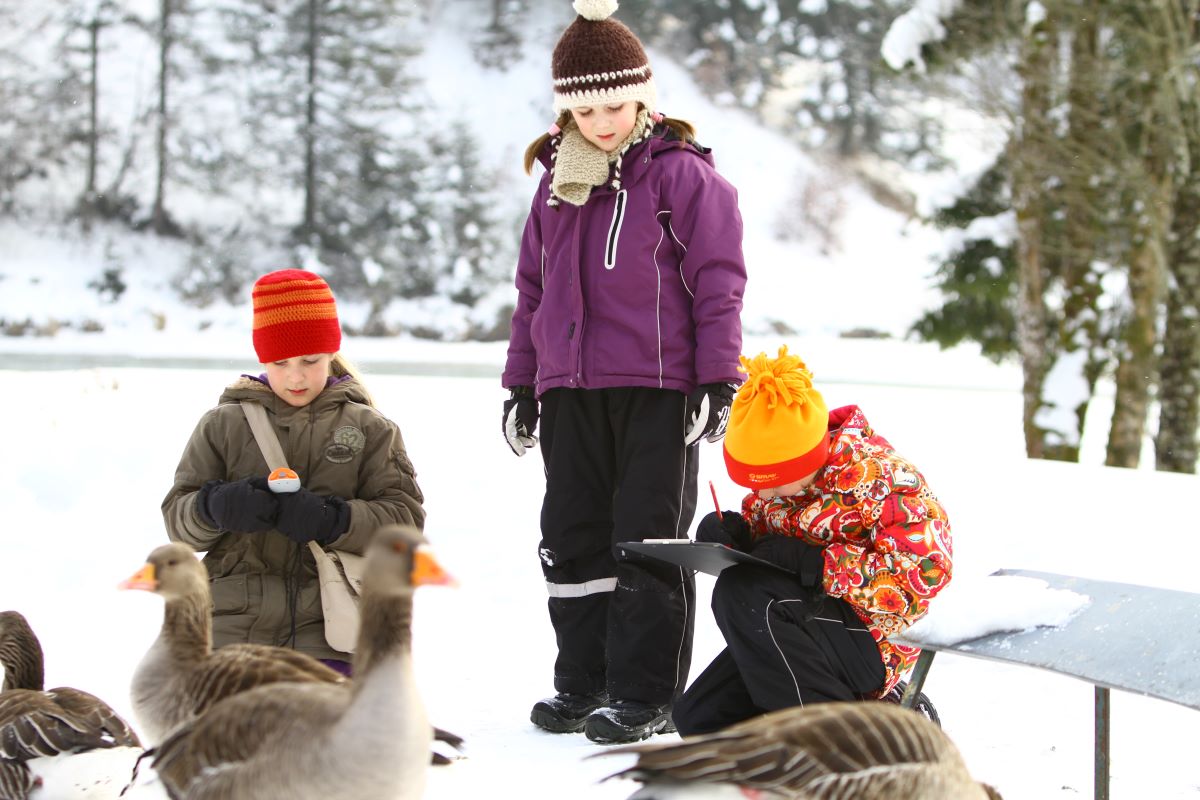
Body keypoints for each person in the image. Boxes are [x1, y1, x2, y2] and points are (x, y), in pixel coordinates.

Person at [500, 0, 748, 745]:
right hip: (571, 390)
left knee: (645, 539)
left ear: (642, 97)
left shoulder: (680, 178)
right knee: (572, 534)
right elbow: (532, 295)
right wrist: (521, 383)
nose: (604, 120)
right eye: (586, 106)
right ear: (565, 110)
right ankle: (584, 681)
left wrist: (717, 378)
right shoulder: (556, 186)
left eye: (616, 102)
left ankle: (645, 693)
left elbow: (718, 280)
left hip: (658, 391)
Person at [672, 346, 952, 736]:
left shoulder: (880, 478)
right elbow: (770, 547)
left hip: (875, 641)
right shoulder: (781, 488)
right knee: (699, 718)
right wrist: (736, 535)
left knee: (743, 595)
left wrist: (821, 565)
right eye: (752, 484)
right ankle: (859, 723)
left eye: (768, 483)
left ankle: (837, 746)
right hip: (800, 628)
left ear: (804, 460)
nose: (762, 496)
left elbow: (925, 575)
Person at [162, 268, 425, 675]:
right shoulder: (222, 424)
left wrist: (333, 519)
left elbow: (405, 526)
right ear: (262, 357)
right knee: (226, 733)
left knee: (320, 728)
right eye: (281, 362)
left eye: (310, 360)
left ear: (331, 353)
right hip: (231, 629)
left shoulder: (371, 429)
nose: (296, 376)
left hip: (332, 631)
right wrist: (215, 506)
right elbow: (178, 524)